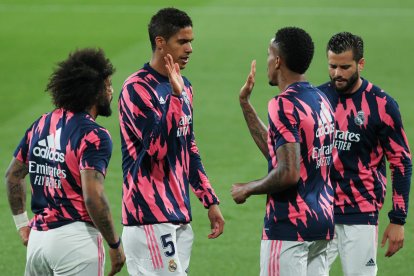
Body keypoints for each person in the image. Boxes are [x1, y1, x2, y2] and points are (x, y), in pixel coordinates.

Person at [118, 7, 225, 276]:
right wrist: (176, 99)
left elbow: (188, 147)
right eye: (182, 41)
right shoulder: (136, 89)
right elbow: (156, 149)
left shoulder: (184, 86)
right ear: (160, 42)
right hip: (149, 215)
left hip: (178, 213)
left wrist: (209, 201)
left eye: (191, 41)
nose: (189, 48)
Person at [5, 48, 126, 275]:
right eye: (107, 85)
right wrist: (115, 244)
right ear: (94, 91)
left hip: (38, 243)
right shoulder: (94, 135)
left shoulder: (41, 124)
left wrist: (23, 225)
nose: (111, 91)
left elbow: (12, 175)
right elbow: (93, 196)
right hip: (76, 243)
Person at [231, 27, 335, 276]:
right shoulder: (320, 99)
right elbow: (283, 154)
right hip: (321, 226)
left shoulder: (283, 104)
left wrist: (248, 188)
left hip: (290, 228)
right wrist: (245, 105)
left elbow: (289, 172)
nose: (267, 60)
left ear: (278, 60)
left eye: (269, 54)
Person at [317, 32, 412, 276]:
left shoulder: (382, 104)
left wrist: (398, 219)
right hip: (320, 210)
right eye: (332, 66)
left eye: (345, 67)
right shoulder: (316, 100)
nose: (337, 73)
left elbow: (401, 162)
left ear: (360, 64)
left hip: (361, 212)